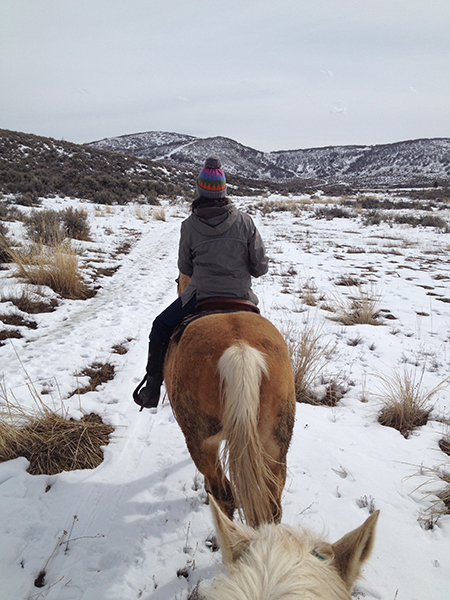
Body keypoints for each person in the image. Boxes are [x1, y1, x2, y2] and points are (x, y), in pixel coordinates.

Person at [134, 156, 269, 409]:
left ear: (199, 190)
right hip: (241, 296)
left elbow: (185, 268)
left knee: (160, 327)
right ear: (223, 190)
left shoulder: (189, 226)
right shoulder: (246, 222)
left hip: (200, 297)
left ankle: (152, 390)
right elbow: (260, 267)